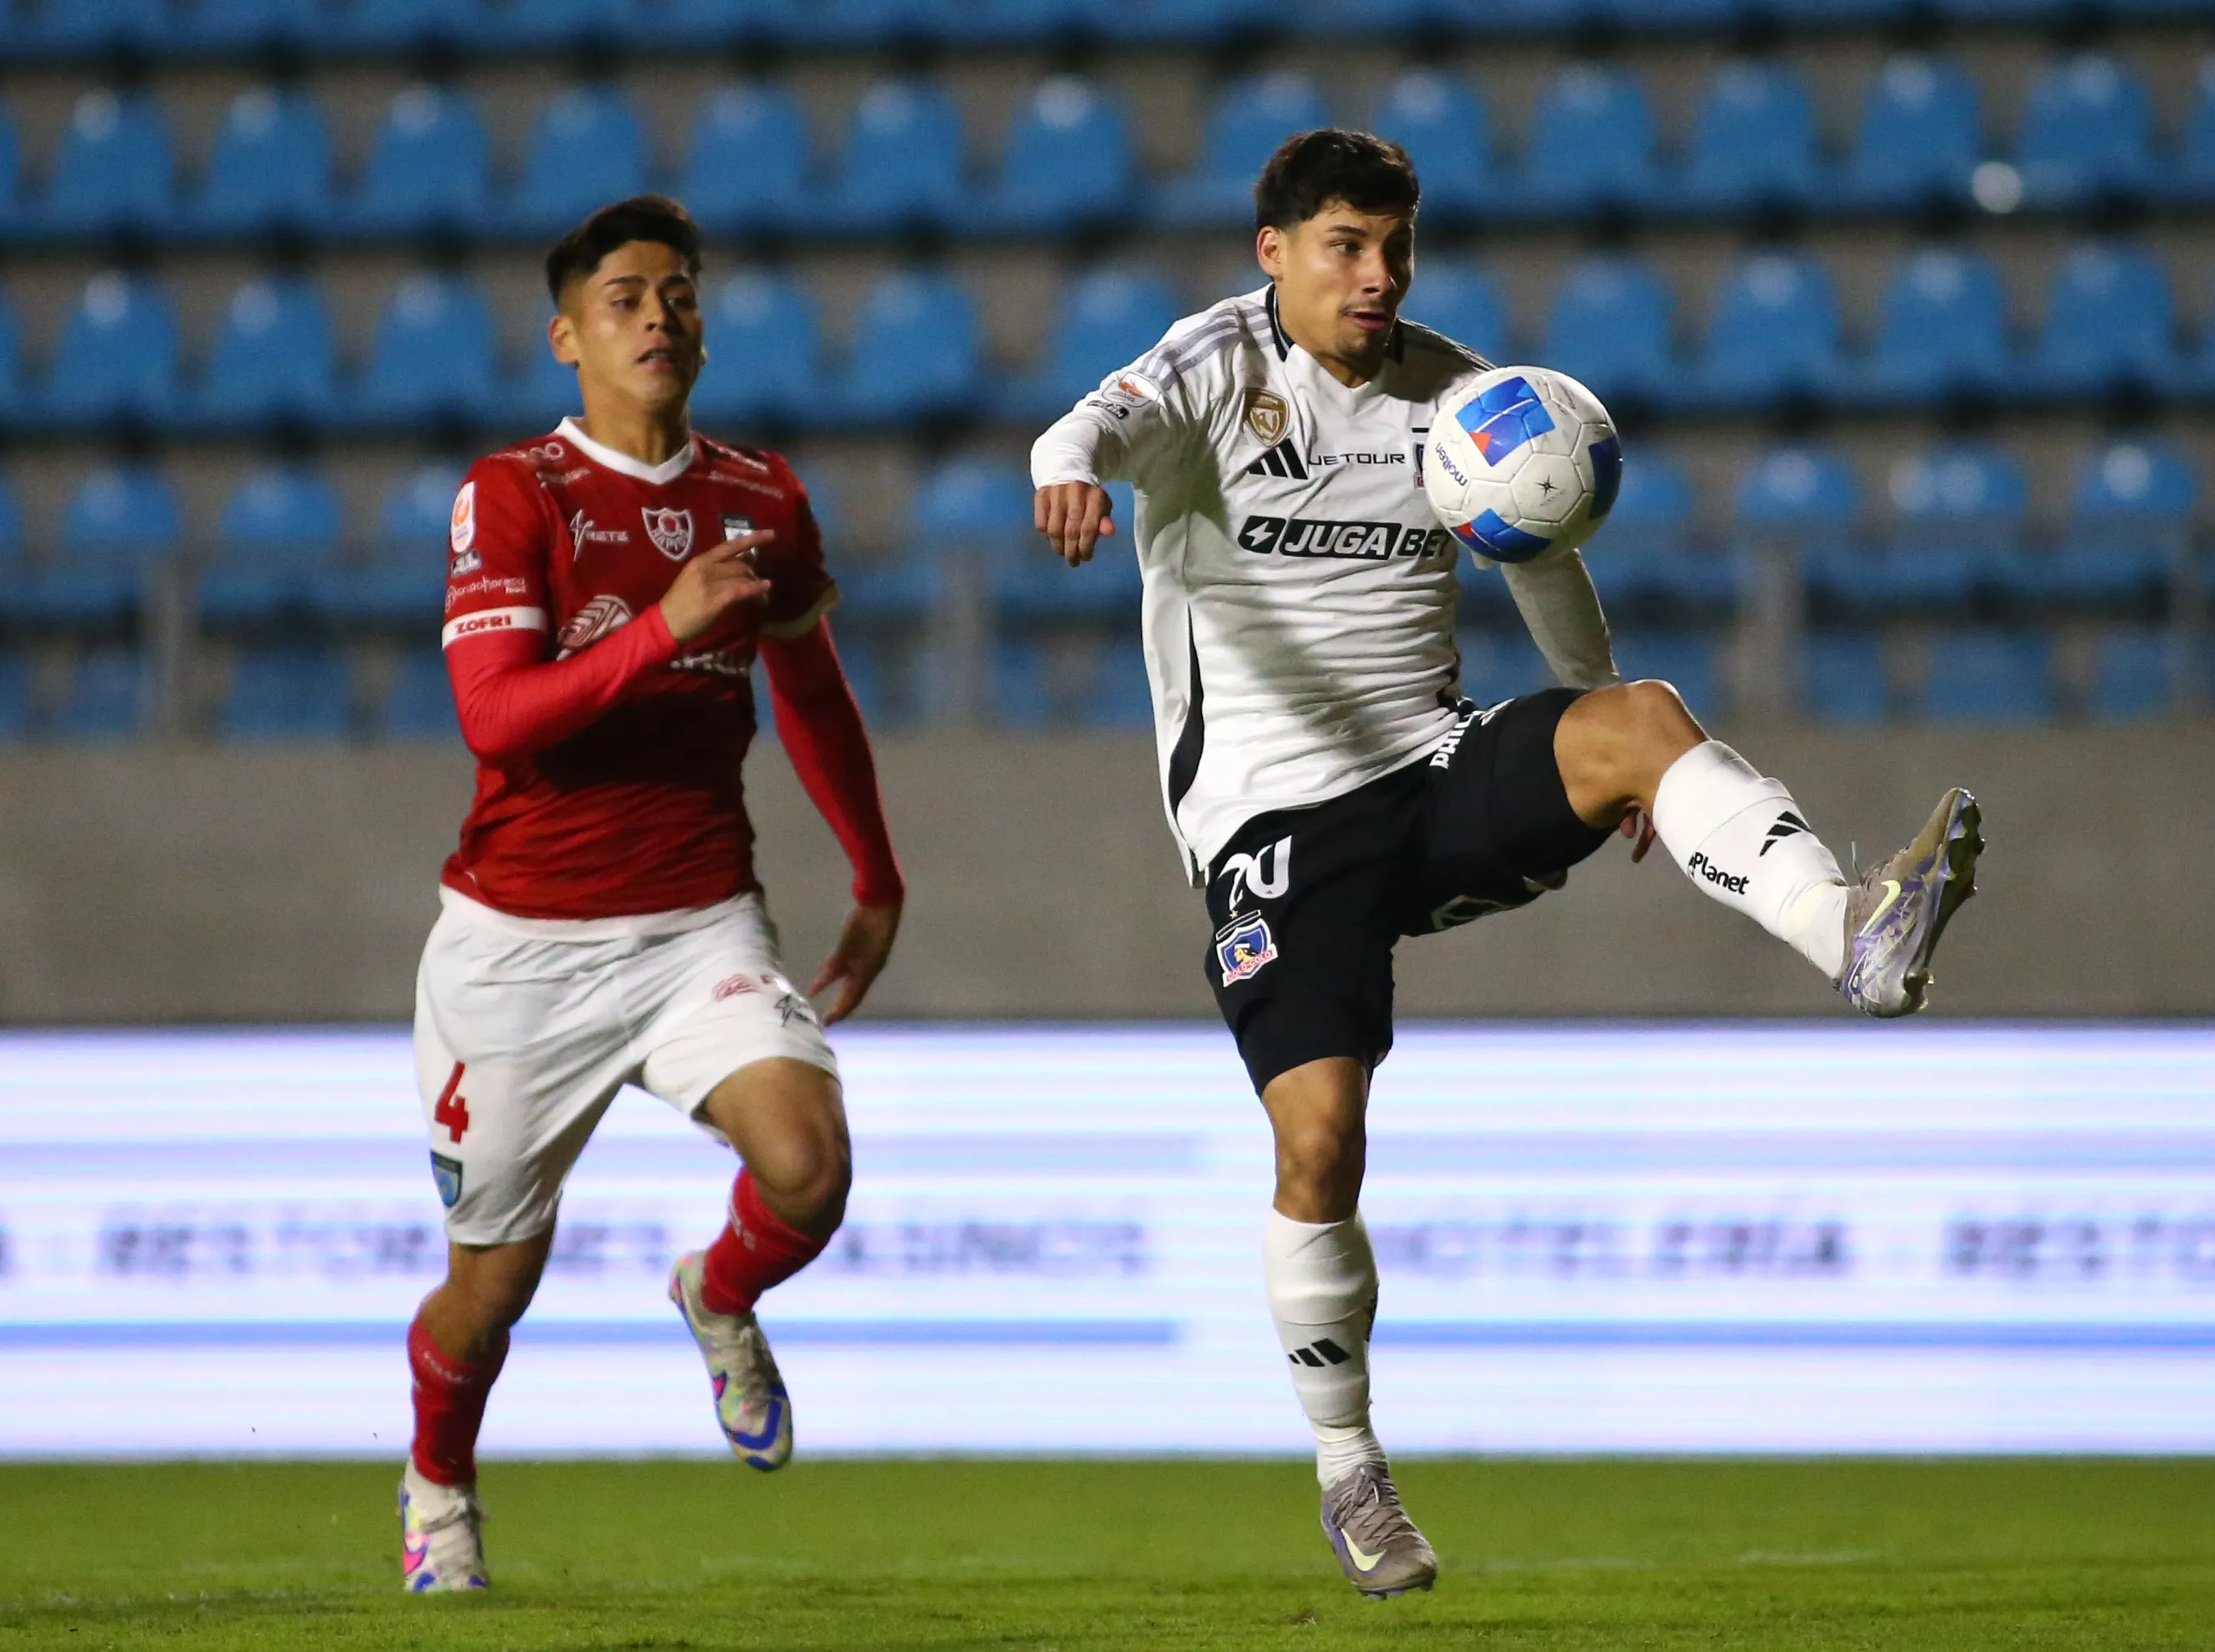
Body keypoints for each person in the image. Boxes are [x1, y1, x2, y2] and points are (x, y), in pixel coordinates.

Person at [1028, 131, 1983, 1599]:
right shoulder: (1212, 366)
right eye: (1346, 244)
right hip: (1271, 825)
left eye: (1396, 245)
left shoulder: (1459, 398)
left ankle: (1853, 931)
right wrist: (1073, 478)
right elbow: (1068, 435)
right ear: (1271, 252)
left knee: (1648, 716)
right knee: (1318, 1144)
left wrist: (1622, 762)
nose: (1379, 275)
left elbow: (1538, 560)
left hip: (1428, 764)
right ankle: (1351, 1469)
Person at [399, 195, 904, 1592]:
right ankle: (439, 1478)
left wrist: (872, 864)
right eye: (623, 296)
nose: (657, 315)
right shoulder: (515, 494)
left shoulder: (760, 495)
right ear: (567, 335)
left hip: (696, 922)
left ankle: (718, 1290)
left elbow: (808, 684)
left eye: (677, 291)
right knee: (491, 1288)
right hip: (517, 947)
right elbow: (496, 719)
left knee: (810, 1162)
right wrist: (668, 628)